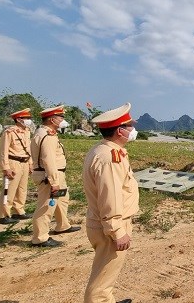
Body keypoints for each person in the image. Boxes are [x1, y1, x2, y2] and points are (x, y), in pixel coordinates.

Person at [83, 102, 139, 303]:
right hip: (111, 225)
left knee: (106, 275)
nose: (133, 129)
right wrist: (117, 230)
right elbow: (111, 196)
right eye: (129, 126)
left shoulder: (105, 150)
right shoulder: (110, 158)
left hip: (104, 222)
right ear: (119, 131)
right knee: (101, 285)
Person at [31, 105, 80, 247]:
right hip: (50, 175)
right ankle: (40, 238)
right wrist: (53, 182)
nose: (63, 120)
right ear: (52, 119)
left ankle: (62, 225)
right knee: (46, 206)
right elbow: (48, 160)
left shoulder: (46, 132)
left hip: (56, 174)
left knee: (62, 200)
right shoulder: (47, 135)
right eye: (61, 117)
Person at [0, 108, 34, 224]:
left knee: (22, 189)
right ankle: (4, 215)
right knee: (9, 189)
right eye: (26, 118)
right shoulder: (9, 132)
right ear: (18, 119)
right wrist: (6, 167)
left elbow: (28, 149)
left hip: (24, 161)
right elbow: (4, 150)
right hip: (13, 162)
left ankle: (19, 210)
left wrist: (30, 163)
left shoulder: (27, 131)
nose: (29, 120)